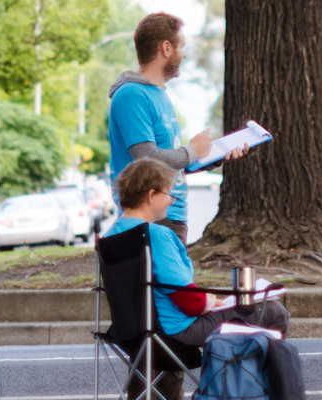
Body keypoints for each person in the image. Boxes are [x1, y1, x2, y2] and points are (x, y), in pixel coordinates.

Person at [105, 159, 290, 399]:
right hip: (174, 332)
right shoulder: (156, 235)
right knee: (274, 311)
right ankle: (253, 390)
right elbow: (190, 303)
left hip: (131, 334)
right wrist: (211, 301)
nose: (171, 200)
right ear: (151, 195)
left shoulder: (111, 235)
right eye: (169, 194)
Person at [108, 12, 248, 245]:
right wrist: (191, 150)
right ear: (166, 48)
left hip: (170, 215)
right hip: (151, 218)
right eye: (182, 47)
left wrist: (212, 156)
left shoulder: (159, 94)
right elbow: (146, 158)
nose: (184, 54)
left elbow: (170, 165)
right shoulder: (131, 95)